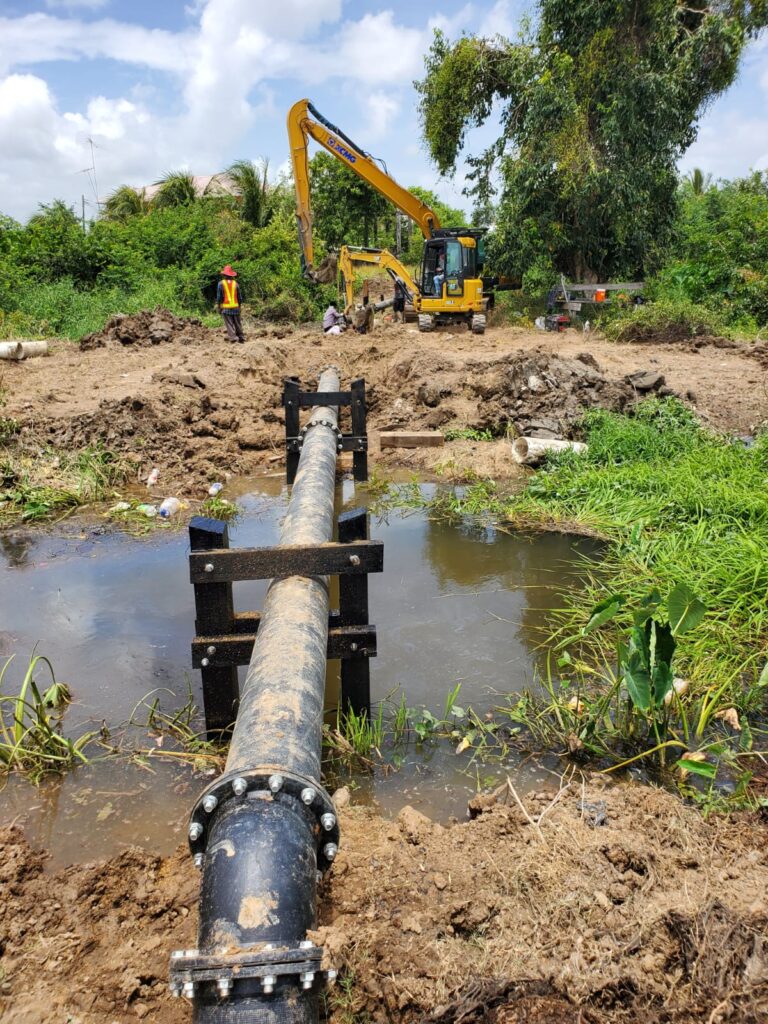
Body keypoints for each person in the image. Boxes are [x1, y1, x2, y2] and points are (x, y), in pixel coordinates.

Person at [216, 265, 245, 343]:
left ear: (224, 275)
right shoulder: (236, 284)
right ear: (231, 275)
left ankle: (233, 338)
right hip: (236, 307)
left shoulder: (220, 284)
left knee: (229, 324)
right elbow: (240, 298)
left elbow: (219, 298)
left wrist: (219, 307)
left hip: (226, 308)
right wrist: (239, 306)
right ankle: (241, 337)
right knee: (237, 323)